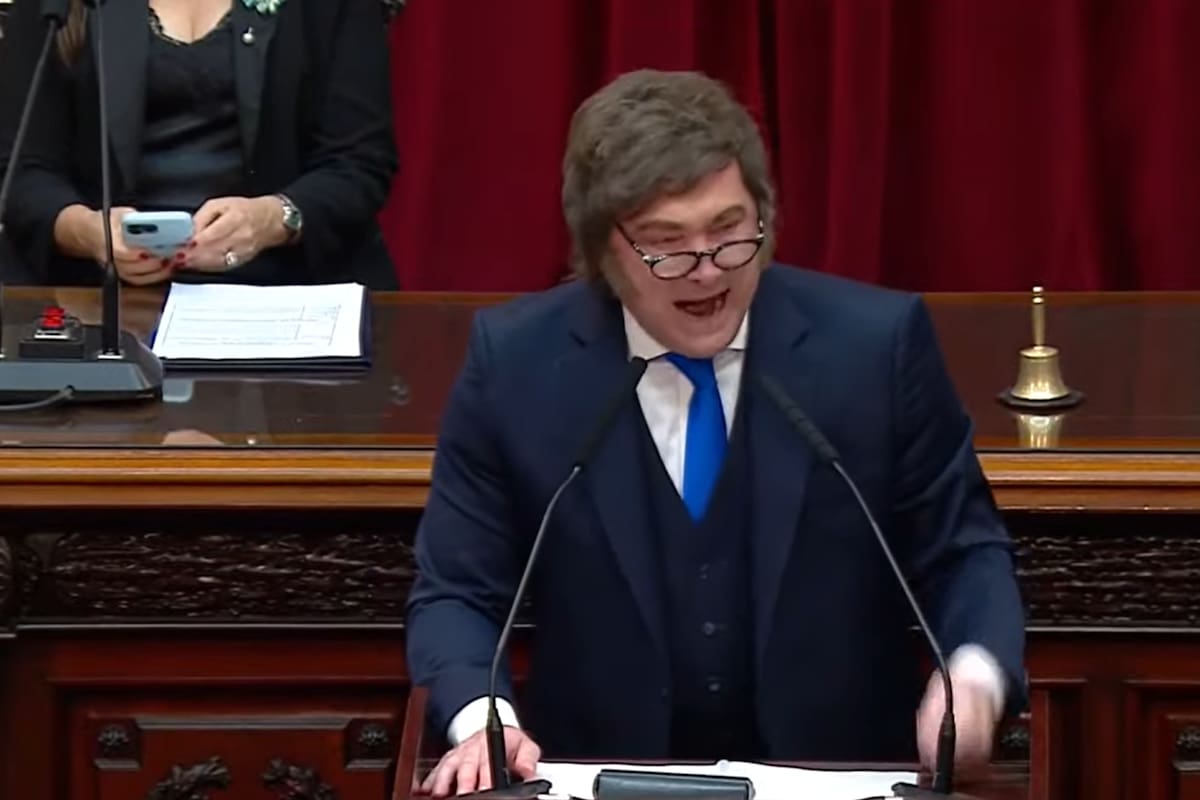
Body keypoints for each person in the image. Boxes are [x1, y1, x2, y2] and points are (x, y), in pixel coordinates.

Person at [406, 69, 1026, 796]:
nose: (706, 271)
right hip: (603, 777)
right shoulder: (517, 364)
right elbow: (457, 592)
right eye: (665, 245)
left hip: (839, 775)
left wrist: (972, 678)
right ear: (603, 250)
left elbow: (962, 552)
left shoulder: (875, 348)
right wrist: (483, 721)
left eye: (730, 231)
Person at [0, 0, 398, 288]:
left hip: (285, 286)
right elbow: (22, 170)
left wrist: (272, 219)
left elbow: (359, 160)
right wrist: (88, 232)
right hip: (101, 294)